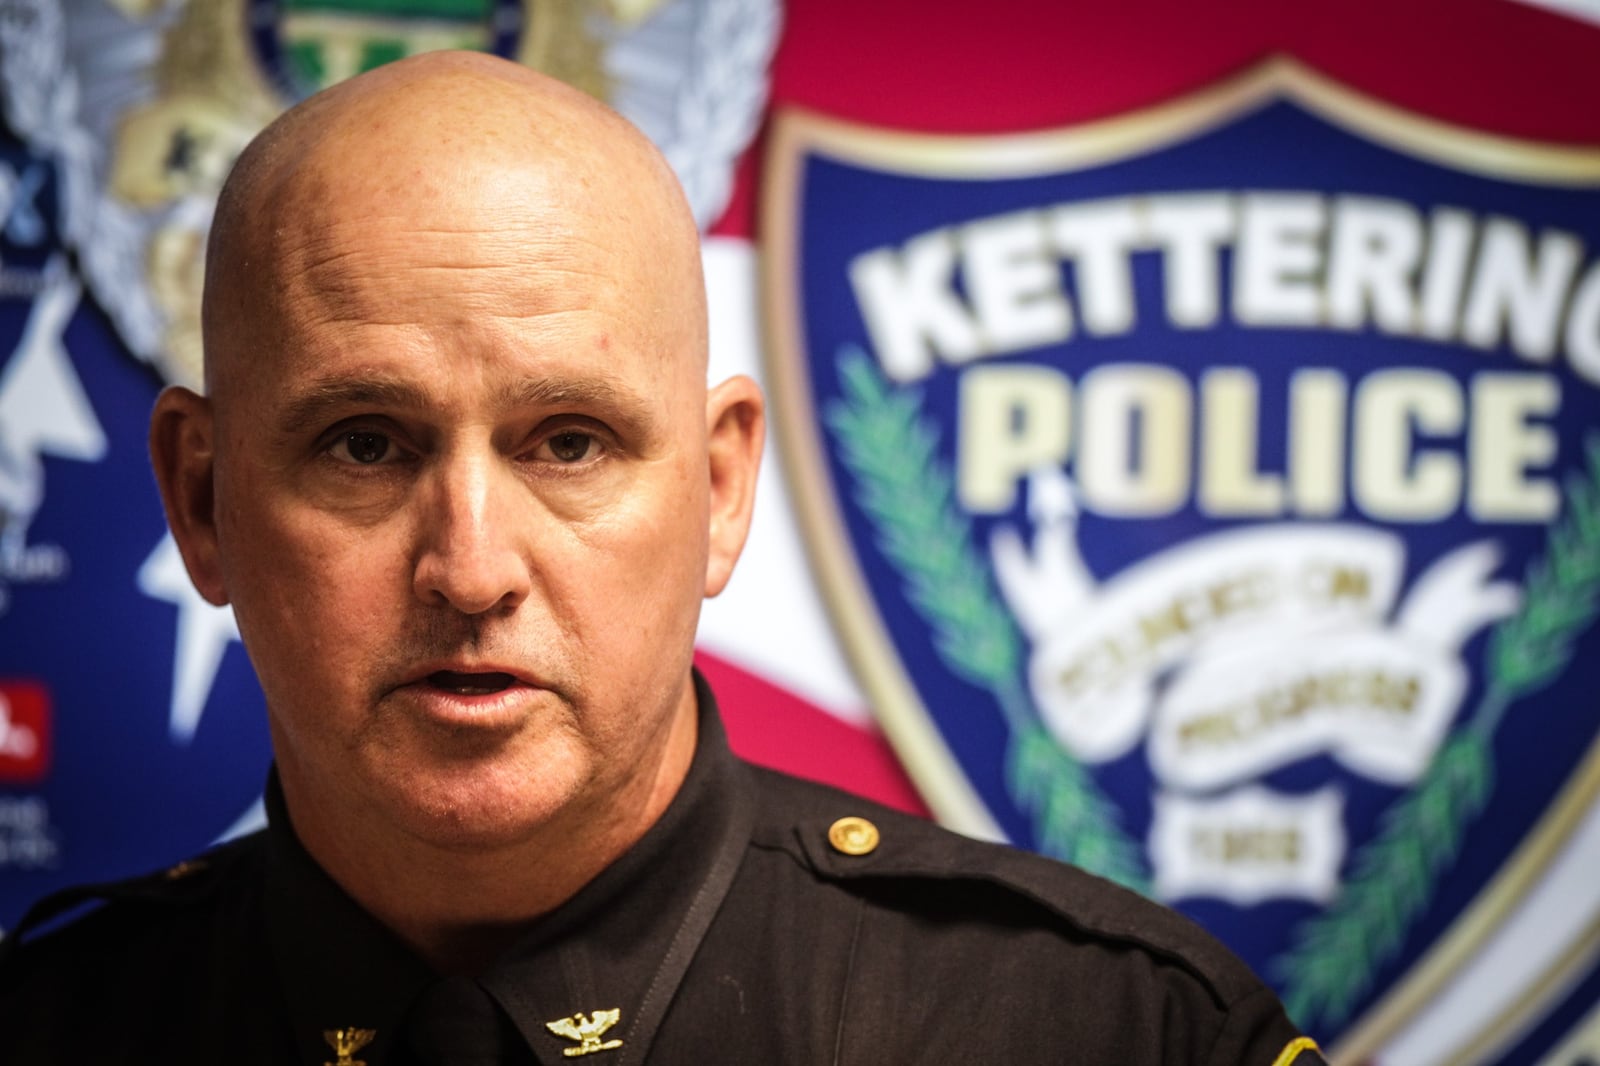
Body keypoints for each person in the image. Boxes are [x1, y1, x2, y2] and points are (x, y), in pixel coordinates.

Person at [0, 51, 1324, 1065]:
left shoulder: (1102, 1031)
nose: (470, 569)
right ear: (206, 497)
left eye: (569, 442)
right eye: (364, 446)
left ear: (718, 488)